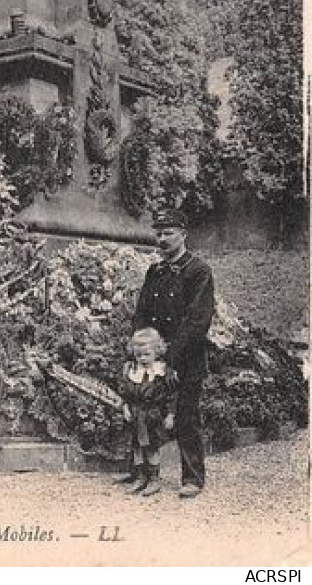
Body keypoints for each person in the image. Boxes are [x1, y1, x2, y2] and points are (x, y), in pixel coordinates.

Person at [132, 208, 215, 498]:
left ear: (184, 234)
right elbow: (141, 313)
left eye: (168, 233)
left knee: (186, 417)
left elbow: (197, 321)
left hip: (186, 358)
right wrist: (142, 347)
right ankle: (145, 474)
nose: (162, 239)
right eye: (158, 233)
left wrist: (171, 358)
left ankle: (192, 477)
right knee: (146, 414)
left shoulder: (198, 271)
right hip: (152, 358)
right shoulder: (155, 272)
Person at [117, 327, 177, 497]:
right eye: (138, 355)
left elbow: (171, 396)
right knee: (137, 447)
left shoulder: (161, 373)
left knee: (151, 447)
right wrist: (125, 408)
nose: (142, 359)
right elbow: (125, 393)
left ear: (156, 352)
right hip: (136, 416)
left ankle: (154, 479)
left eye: (146, 354)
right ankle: (140, 477)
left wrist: (170, 415)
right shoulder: (132, 372)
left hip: (152, 416)